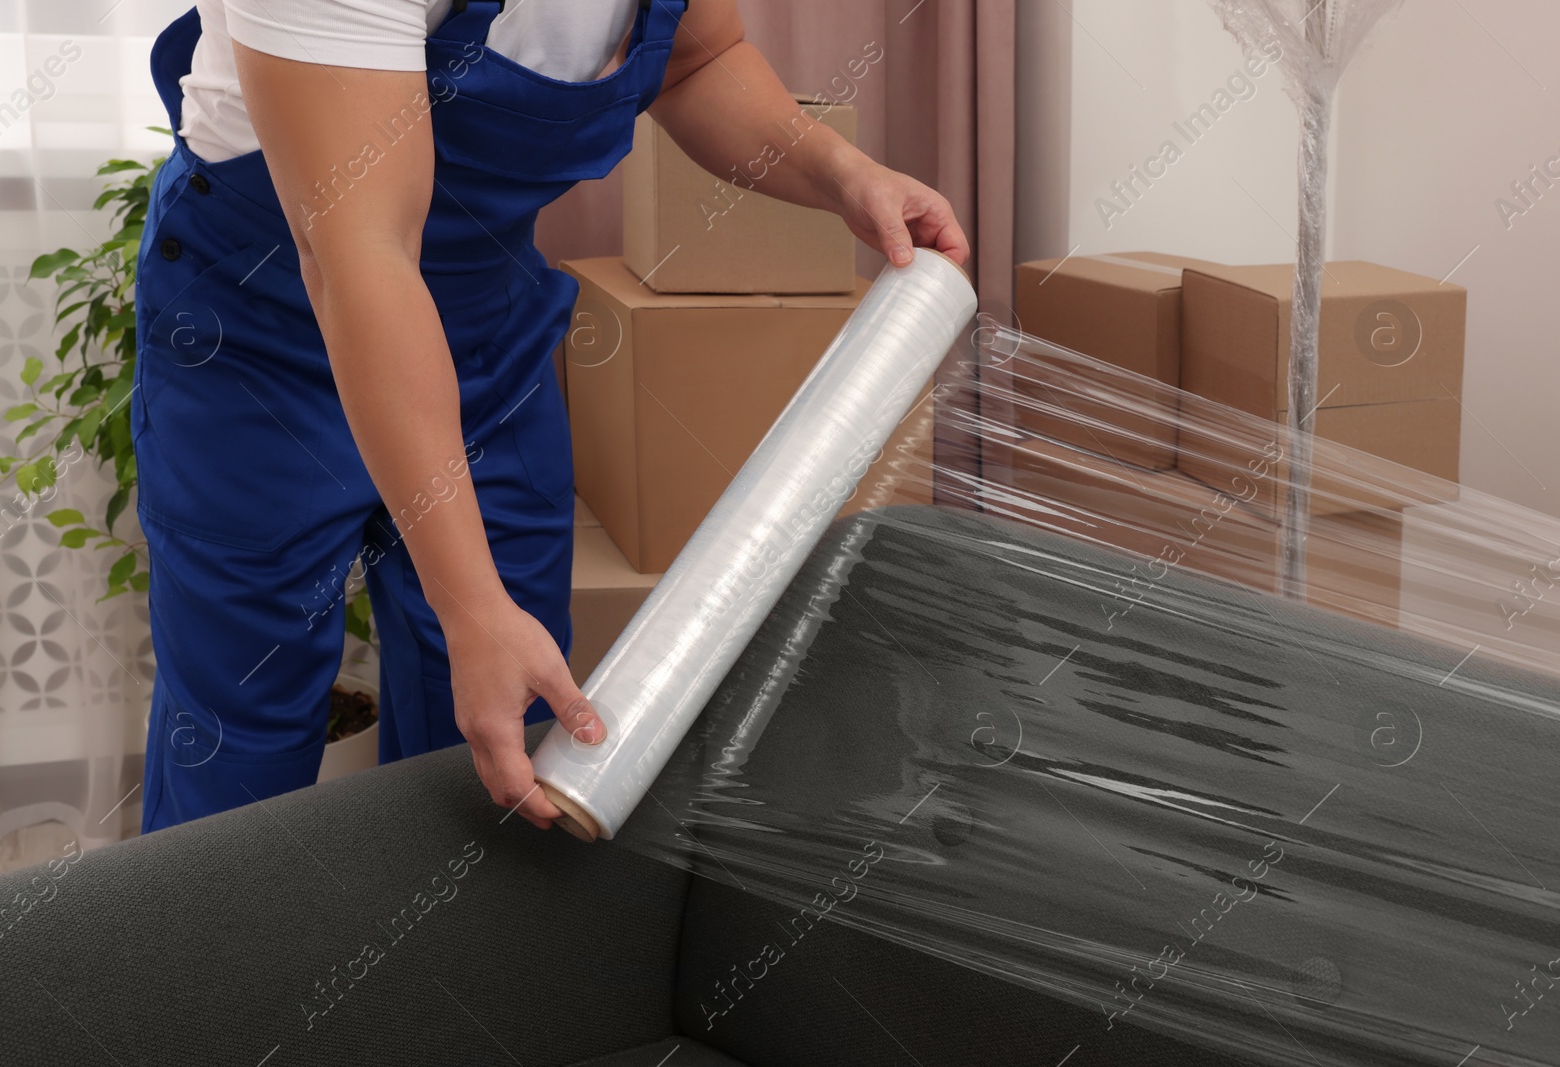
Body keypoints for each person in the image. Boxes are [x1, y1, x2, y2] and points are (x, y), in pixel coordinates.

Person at [135, 0, 969, 833]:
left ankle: (444, 963)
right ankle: (218, 962)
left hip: (482, 321)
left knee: (504, 737)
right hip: (261, 332)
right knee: (239, 737)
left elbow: (697, 61)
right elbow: (360, 256)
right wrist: (470, 606)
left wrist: (841, 173)